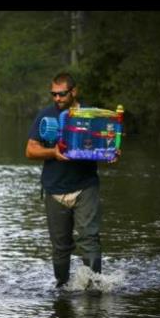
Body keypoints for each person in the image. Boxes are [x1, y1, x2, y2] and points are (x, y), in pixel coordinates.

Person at [25, 72, 118, 287]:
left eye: (62, 94)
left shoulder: (92, 116)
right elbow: (30, 150)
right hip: (54, 189)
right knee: (60, 246)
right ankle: (62, 287)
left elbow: (106, 146)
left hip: (85, 187)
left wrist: (111, 154)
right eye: (53, 94)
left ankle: (95, 287)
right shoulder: (45, 116)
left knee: (89, 239)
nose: (57, 99)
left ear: (74, 91)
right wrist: (53, 153)